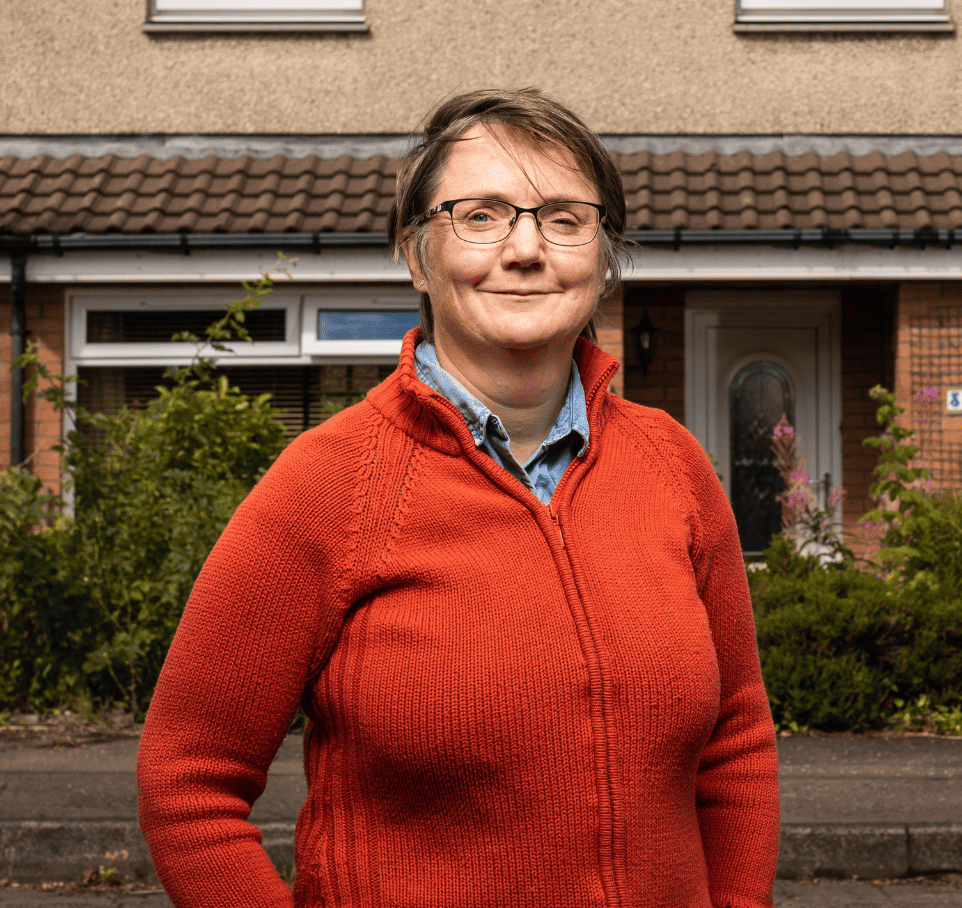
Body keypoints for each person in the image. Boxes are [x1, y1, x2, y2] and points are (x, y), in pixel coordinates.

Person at [137, 90, 780, 906]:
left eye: (563, 218)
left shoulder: (673, 468)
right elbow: (186, 784)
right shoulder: (327, 485)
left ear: (604, 254)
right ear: (416, 254)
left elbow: (736, 742)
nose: (524, 249)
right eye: (480, 216)